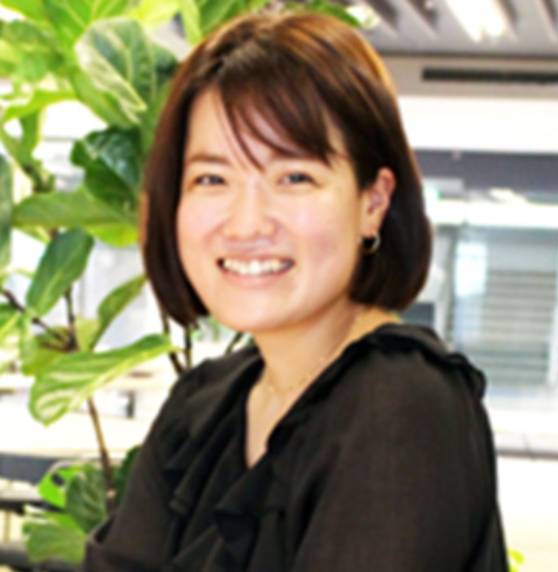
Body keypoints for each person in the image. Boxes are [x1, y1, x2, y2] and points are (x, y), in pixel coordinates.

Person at [81, 9, 509, 572]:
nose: (246, 223)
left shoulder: (399, 405)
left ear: (373, 202)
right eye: (212, 178)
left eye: (294, 177)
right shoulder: (203, 406)